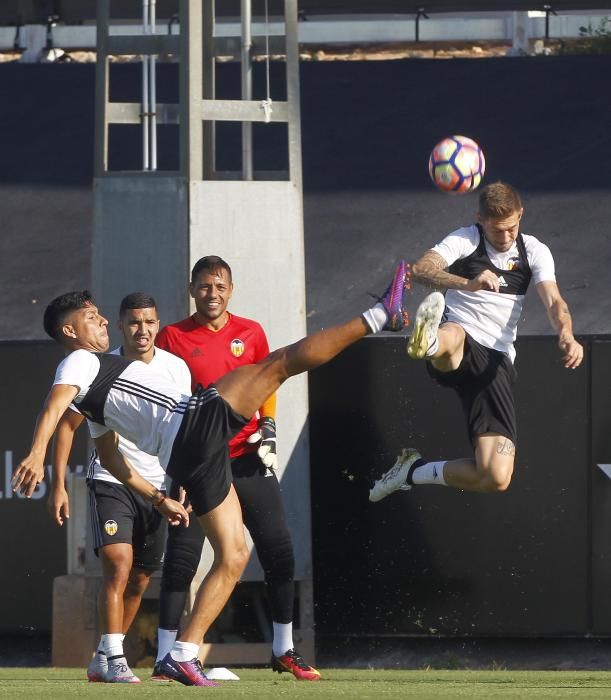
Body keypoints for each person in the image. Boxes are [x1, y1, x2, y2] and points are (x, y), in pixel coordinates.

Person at [13, 259, 408, 687]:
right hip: (193, 428)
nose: (103, 319)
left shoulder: (97, 393)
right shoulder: (78, 364)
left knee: (235, 554)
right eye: (91, 317)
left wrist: (156, 496)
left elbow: (110, 458)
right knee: (280, 364)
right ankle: (380, 314)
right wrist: (36, 454)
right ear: (70, 332)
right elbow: (54, 406)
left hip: (189, 457)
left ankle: (182, 654)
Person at [153, 255, 318, 681]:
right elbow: (170, 399)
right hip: (201, 463)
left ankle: (284, 649)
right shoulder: (172, 337)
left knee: (279, 550)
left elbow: (268, 379)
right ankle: (165, 656)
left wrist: (268, 426)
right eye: (205, 286)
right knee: (183, 558)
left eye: (220, 286)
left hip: (246, 459)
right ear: (192, 289)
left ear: (231, 290)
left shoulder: (251, 332)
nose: (213, 294)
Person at [369, 182, 583, 503]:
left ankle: (412, 471)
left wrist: (566, 332)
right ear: (480, 219)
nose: (506, 236)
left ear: (520, 215)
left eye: (512, 227)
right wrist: (468, 283)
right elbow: (422, 270)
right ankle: (428, 343)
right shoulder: (465, 239)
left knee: (495, 477)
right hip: (460, 336)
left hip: (495, 362)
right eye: (498, 230)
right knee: (454, 337)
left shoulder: (534, 250)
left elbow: (554, 301)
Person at [48, 292, 192, 683]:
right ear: (123, 324)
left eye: (149, 322)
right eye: (133, 322)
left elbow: (180, 433)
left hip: (155, 486)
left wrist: (179, 487)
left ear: (158, 324)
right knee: (118, 565)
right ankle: (116, 659)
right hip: (112, 479)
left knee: (140, 579)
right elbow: (65, 423)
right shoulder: (93, 363)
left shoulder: (177, 369)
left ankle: (104, 656)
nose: (141, 330)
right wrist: (57, 482)